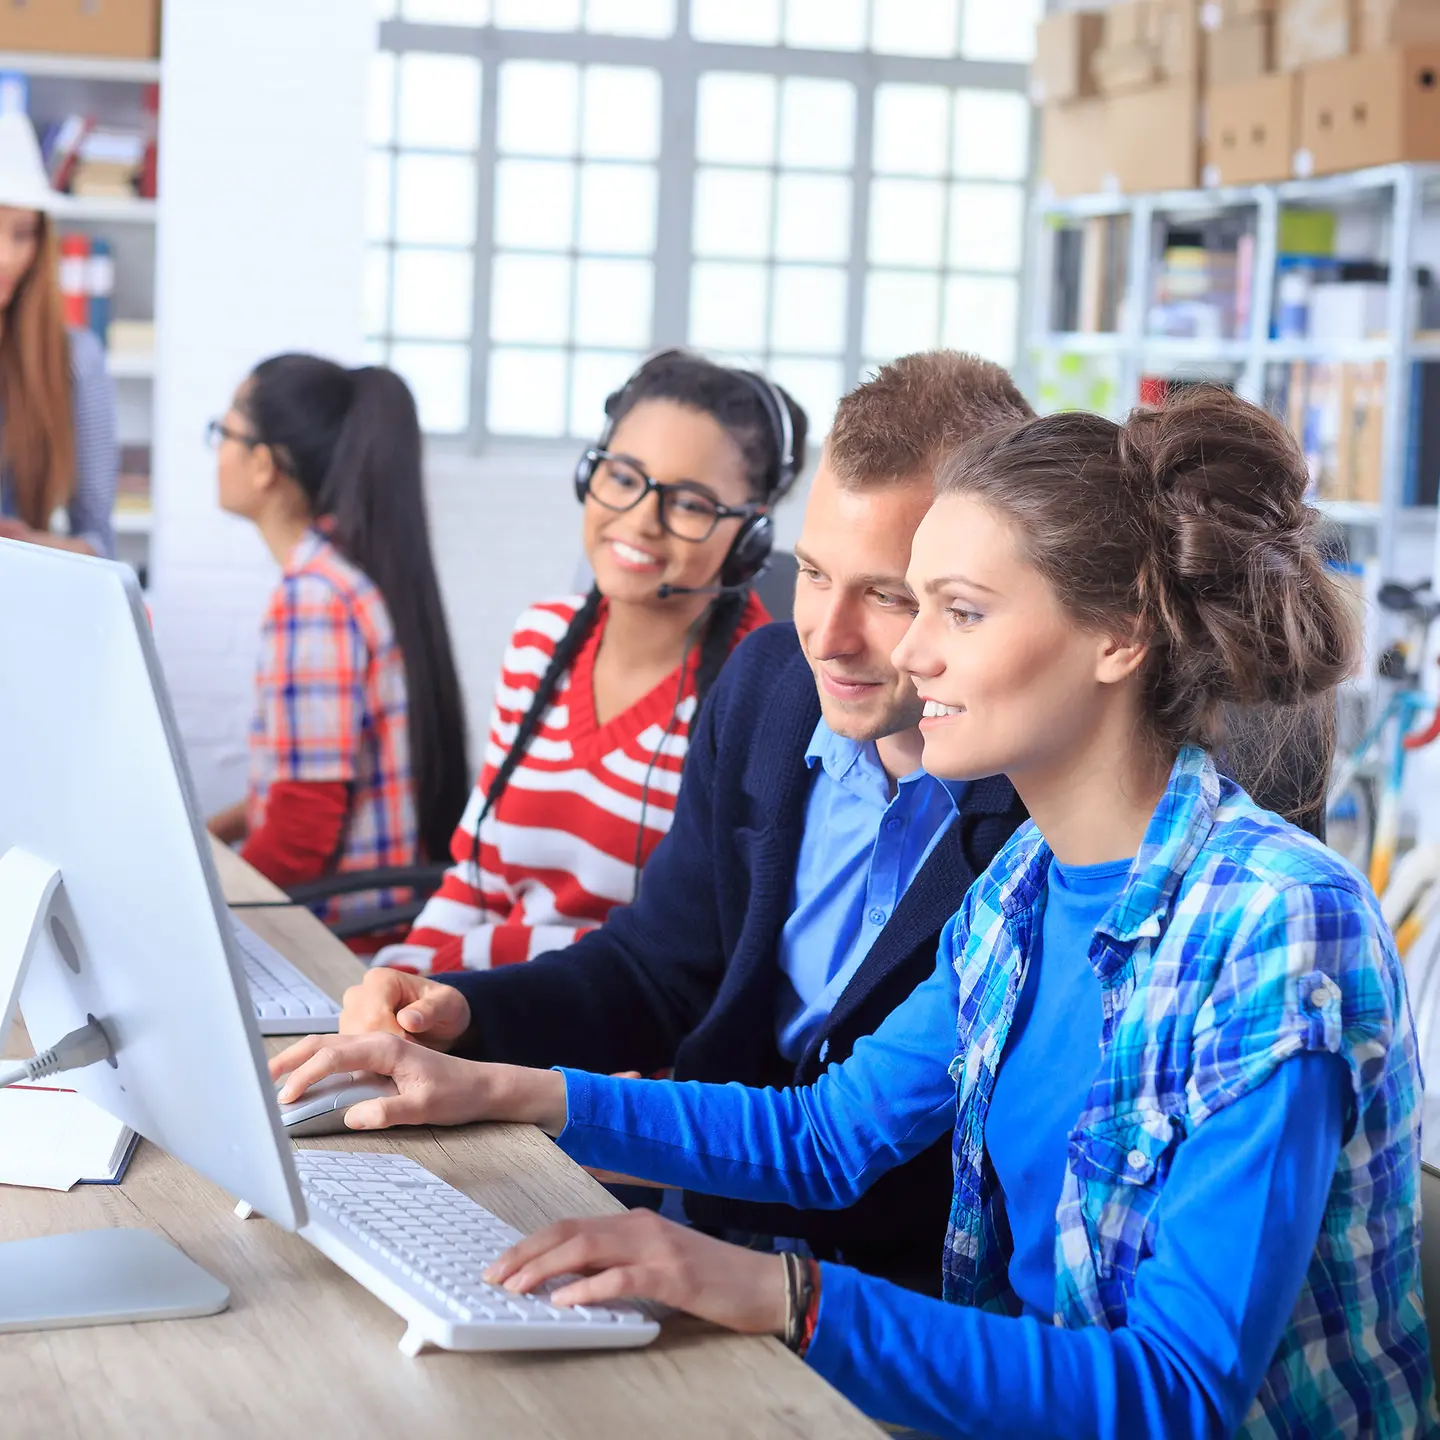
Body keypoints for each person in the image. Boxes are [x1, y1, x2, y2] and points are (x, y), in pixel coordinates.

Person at [274, 389, 1436, 1439]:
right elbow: (829, 1137)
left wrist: (783, 1296)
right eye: (910, 603)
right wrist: (500, 1089)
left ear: (1120, 637)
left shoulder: (1278, 931)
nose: (911, 654)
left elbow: (1176, 1396)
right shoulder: (1023, 893)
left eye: (960, 613)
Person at [331, 351, 1034, 1288]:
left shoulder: (1037, 813)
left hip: (884, 1292)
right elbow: (654, 969)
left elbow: (858, 1143)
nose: (827, 636)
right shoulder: (770, 693)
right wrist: (468, 1012)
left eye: (888, 594)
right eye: (816, 574)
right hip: (691, 1225)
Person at [371, 350, 804, 973]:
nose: (640, 521)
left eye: (688, 503)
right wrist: (401, 975)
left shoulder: (762, 697)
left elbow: (703, 955)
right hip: (473, 1013)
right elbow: (474, 880)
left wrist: (464, 973)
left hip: (610, 1051)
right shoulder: (540, 640)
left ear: (750, 536)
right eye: (624, 478)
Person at [205, 354, 469, 933]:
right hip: (356, 920)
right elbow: (293, 787)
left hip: (337, 939)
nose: (216, 450)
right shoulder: (340, 572)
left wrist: (212, 912)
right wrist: (211, 834)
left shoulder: (314, 598)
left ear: (264, 466)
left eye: (223, 433)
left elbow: (304, 827)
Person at [0, 112, 117, 559]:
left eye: (23, 234)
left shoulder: (76, 358)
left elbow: (98, 545)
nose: (8, 258)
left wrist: (25, 544)